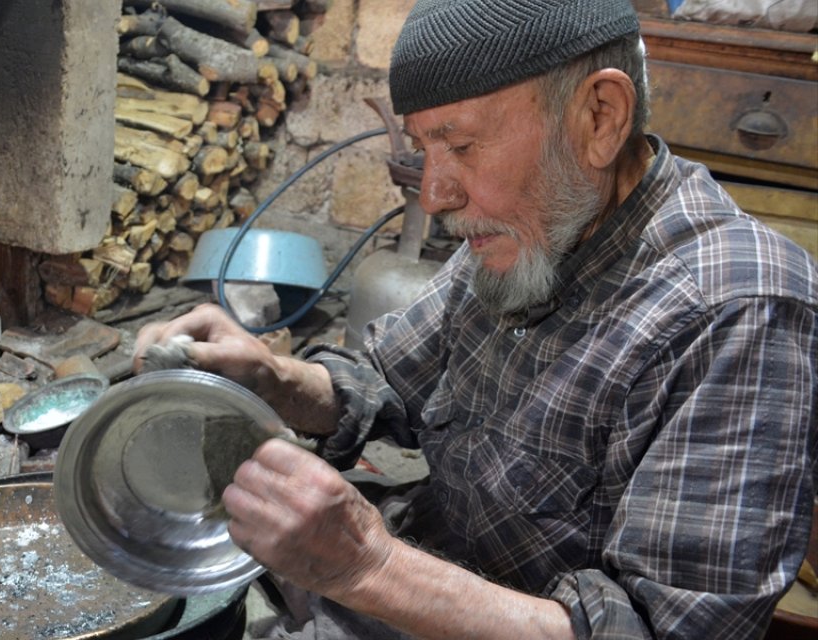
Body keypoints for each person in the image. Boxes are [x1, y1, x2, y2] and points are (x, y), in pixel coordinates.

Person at [132, 0, 818, 638]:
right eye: (425, 149)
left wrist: (369, 568)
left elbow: (663, 631)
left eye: (460, 147)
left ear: (600, 117)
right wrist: (271, 374)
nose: (434, 195)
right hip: (423, 569)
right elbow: (385, 385)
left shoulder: (738, 308)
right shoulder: (531, 224)